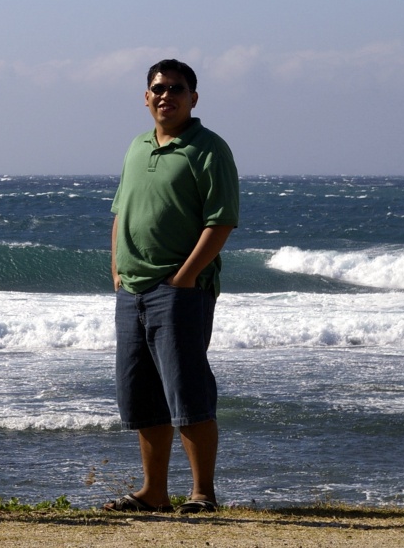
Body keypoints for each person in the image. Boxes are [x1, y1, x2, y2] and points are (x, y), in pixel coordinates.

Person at [105, 59, 239, 515]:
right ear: (146, 97)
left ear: (193, 98)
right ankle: (153, 493)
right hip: (132, 291)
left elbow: (221, 221)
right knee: (142, 396)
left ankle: (202, 493)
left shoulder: (208, 149)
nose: (166, 96)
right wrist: (117, 269)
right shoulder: (137, 146)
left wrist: (184, 278)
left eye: (176, 89)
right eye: (158, 89)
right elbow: (121, 211)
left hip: (180, 291)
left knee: (188, 392)